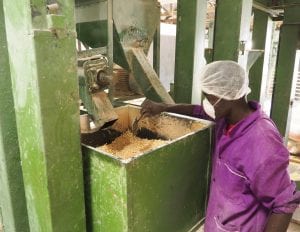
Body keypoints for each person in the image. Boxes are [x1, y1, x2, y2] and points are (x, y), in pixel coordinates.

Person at [141, 60, 300, 232]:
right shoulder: (226, 118)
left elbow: (284, 203)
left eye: (209, 96)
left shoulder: (261, 142)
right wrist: (163, 107)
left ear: (228, 96)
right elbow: (197, 112)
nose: (205, 102)